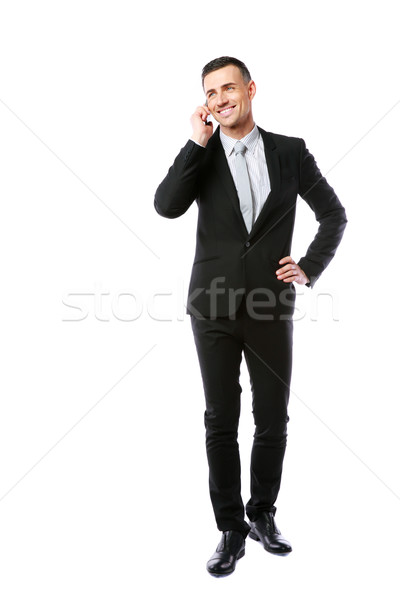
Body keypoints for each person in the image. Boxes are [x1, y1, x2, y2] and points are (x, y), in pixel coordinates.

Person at [154, 56, 347, 577]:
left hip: (269, 305)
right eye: (210, 93)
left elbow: (333, 213)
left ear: (251, 89)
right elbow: (166, 206)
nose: (219, 99)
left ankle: (262, 515)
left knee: (272, 418)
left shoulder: (290, 151)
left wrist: (308, 267)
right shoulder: (204, 154)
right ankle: (229, 529)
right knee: (221, 419)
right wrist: (195, 142)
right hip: (212, 306)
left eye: (228, 88)